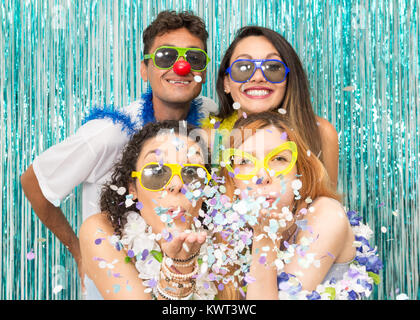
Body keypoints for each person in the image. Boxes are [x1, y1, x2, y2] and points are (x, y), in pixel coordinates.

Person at [20, 10, 217, 298]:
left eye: (194, 58)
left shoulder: (209, 116)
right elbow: (33, 182)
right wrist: (79, 249)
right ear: (144, 68)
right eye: (165, 56)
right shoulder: (108, 134)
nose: (181, 67)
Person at [209, 111, 382, 300]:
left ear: (300, 171)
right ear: (232, 180)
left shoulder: (326, 215)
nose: (263, 176)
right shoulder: (229, 229)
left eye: (278, 159)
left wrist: (264, 239)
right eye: (245, 161)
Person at [79, 120, 220, 300]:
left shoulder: (221, 240)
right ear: (132, 188)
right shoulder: (101, 231)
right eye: (157, 172)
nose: (177, 185)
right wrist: (179, 269)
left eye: (192, 173)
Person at [202, 26, 339, 188]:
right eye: (243, 67)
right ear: (226, 83)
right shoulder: (207, 138)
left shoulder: (320, 133)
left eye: (272, 67)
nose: (258, 77)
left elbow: (328, 204)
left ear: (289, 79)